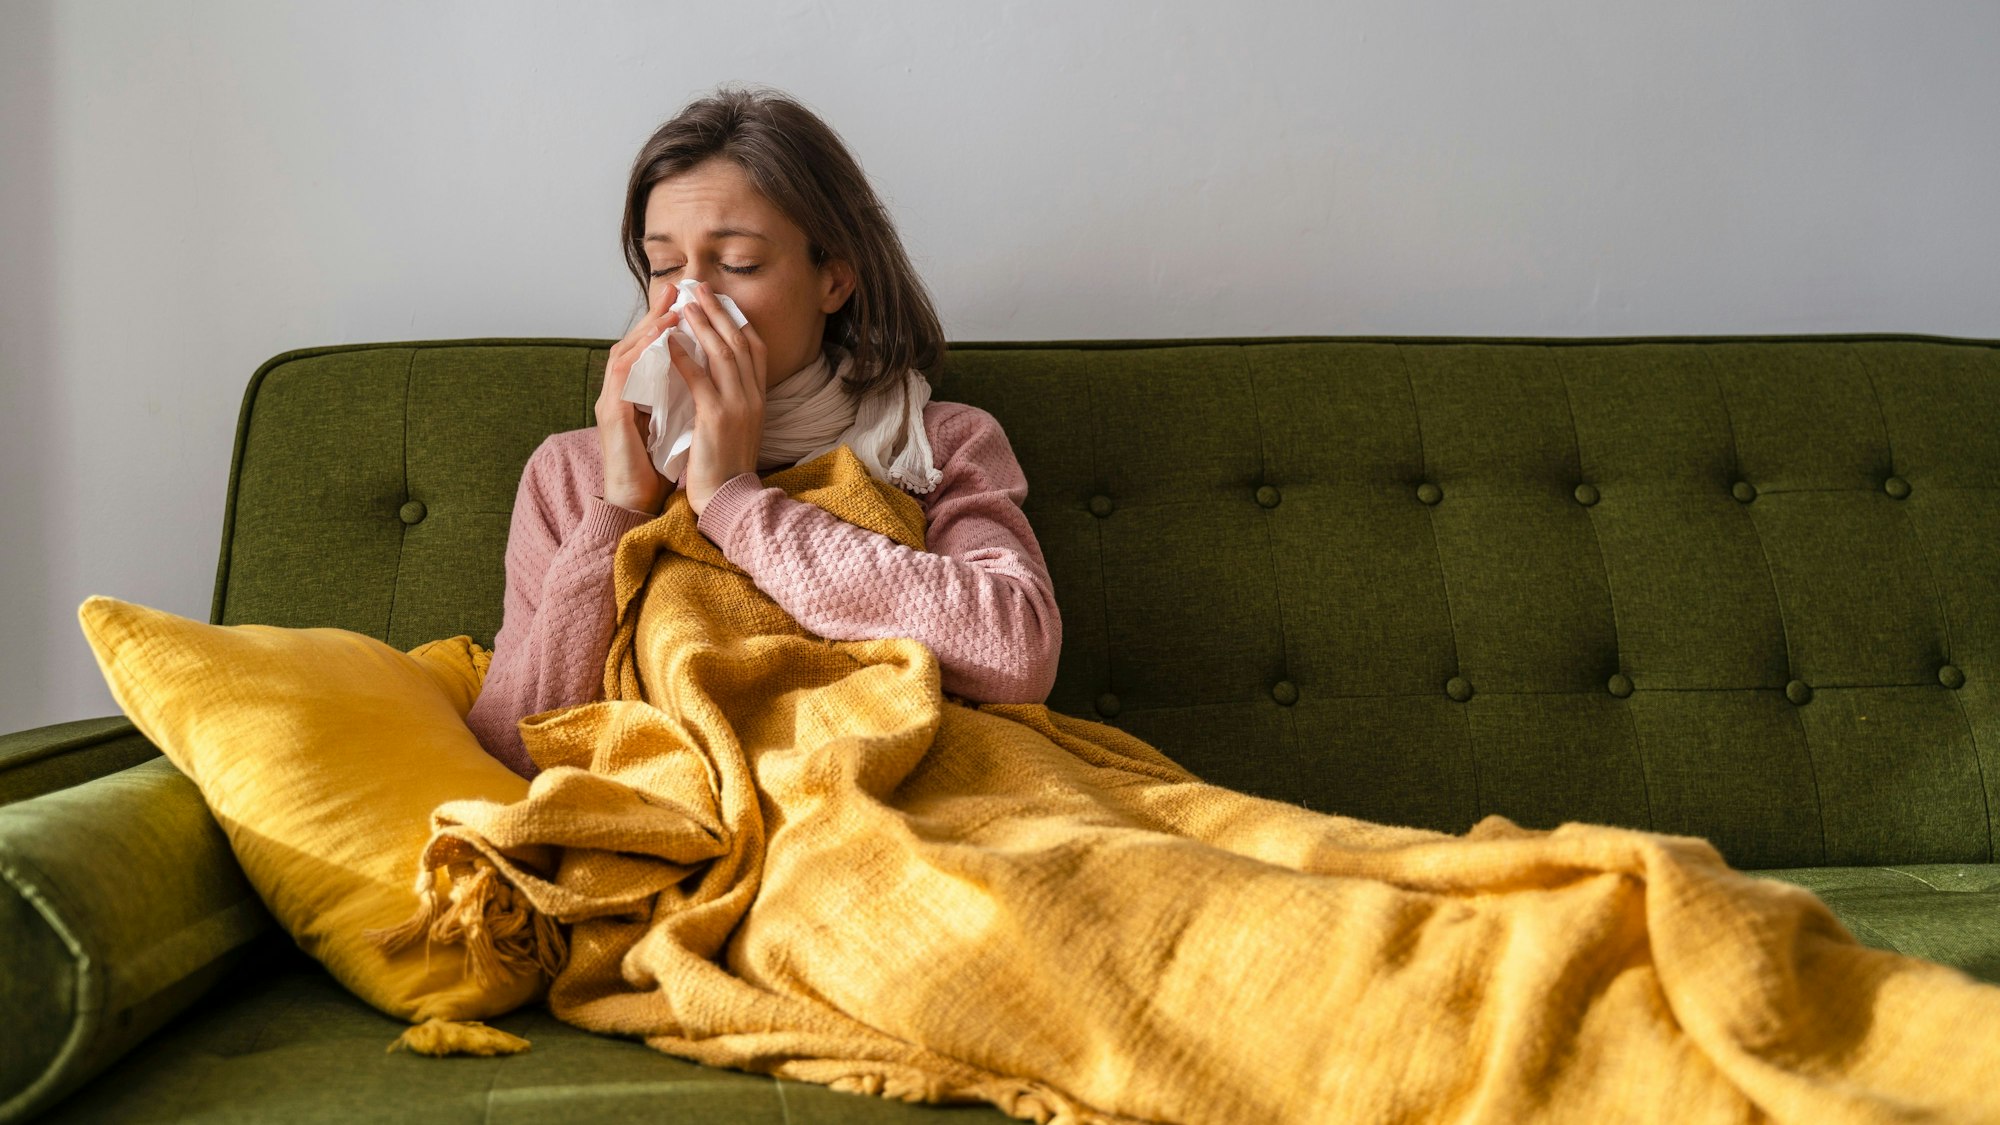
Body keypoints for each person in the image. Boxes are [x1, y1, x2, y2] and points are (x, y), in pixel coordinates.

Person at [466, 85, 1062, 779]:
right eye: (663, 266)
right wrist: (620, 506)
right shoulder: (572, 472)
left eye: (739, 263)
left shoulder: (933, 444)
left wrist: (733, 502)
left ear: (834, 279)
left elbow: (1019, 650)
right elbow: (513, 746)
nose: (691, 298)